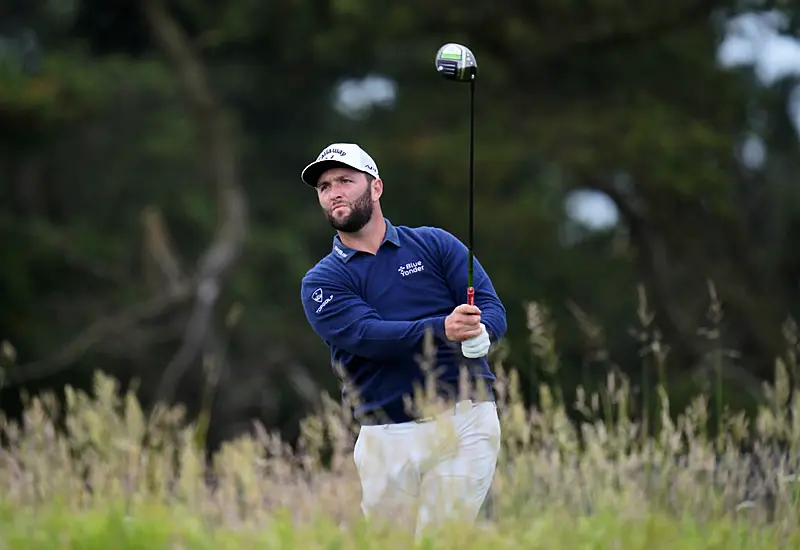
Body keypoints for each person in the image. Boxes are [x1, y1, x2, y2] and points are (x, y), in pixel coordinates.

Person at [298, 142, 507, 538]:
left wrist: (483, 332)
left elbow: (491, 307)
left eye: (345, 180)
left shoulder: (434, 244)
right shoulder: (322, 280)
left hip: (465, 421)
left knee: (437, 540)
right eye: (324, 187)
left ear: (375, 188)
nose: (334, 192)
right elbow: (367, 335)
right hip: (385, 435)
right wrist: (442, 329)